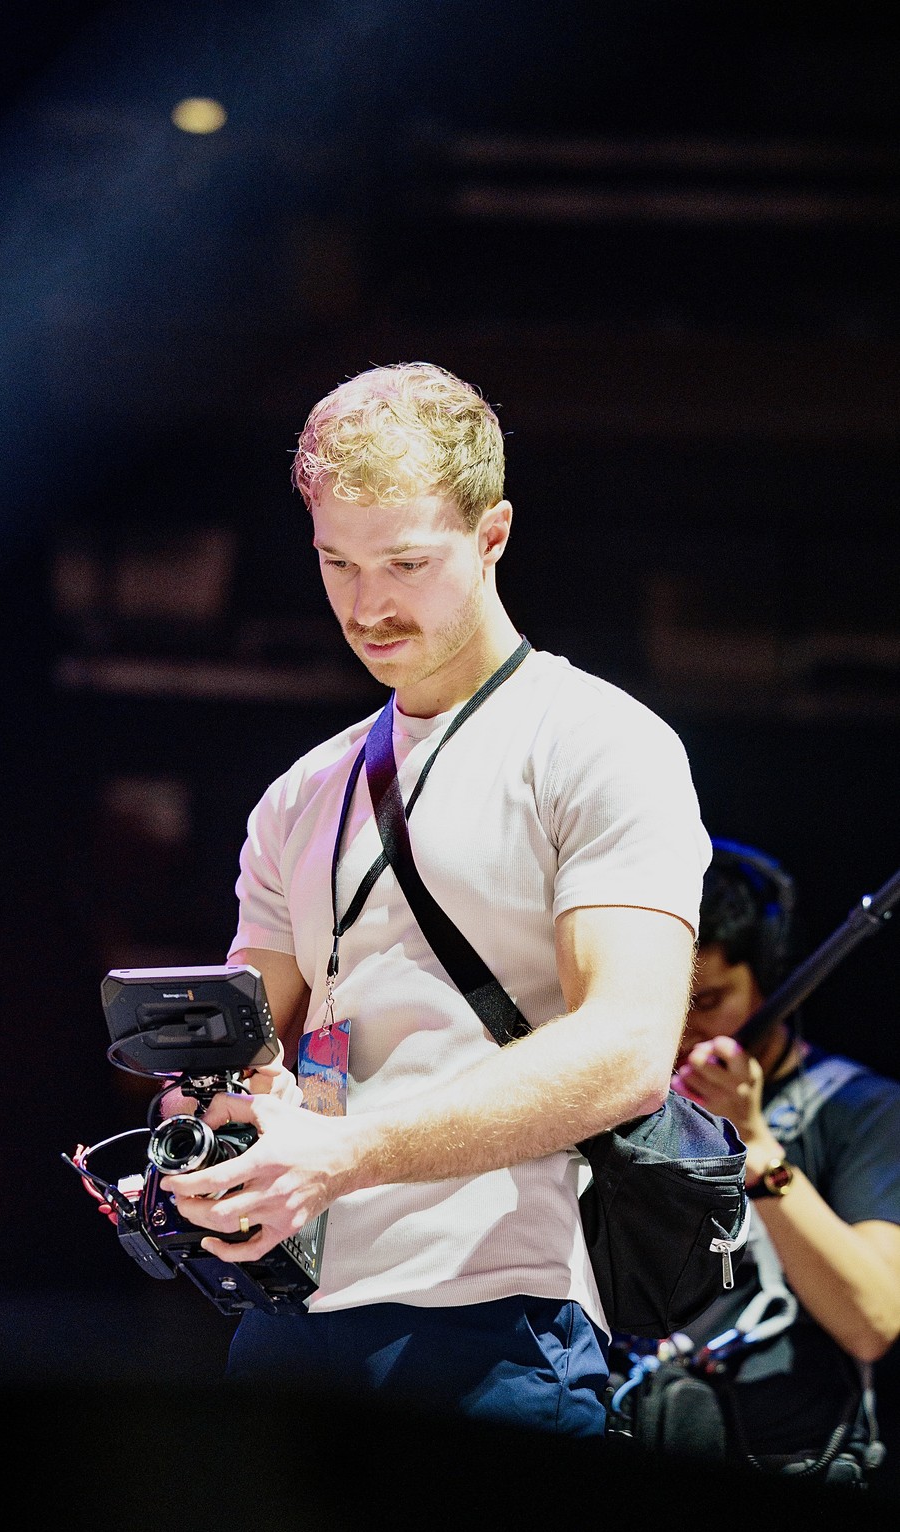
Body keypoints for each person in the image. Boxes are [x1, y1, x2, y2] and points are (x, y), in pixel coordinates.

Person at [159, 361, 710, 1433]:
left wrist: (344, 1152)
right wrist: (203, 1117)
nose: (368, 604)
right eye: (337, 562)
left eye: (407, 562)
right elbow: (245, 1035)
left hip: (497, 1319)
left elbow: (629, 1049)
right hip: (287, 1314)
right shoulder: (299, 792)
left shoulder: (598, 743)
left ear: (494, 533)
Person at [671, 842, 900, 1473]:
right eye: (668, 1000)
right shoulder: (635, 1094)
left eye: (709, 1001)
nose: (682, 1029)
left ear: (769, 982)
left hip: (788, 1457)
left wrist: (756, 1148)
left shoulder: (865, 1111)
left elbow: (873, 1318)